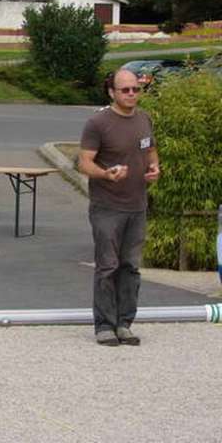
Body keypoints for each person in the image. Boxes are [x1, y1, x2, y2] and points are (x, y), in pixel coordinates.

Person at [78, 69, 160, 346]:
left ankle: (125, 323)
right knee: (107, 266)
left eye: (136, 89)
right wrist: (105, 173)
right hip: (107, 207)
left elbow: (150, 151)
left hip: (137, 205)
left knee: (130, 267)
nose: (132, 94)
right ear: (111, 92)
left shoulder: (144, 119)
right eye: (125, 90)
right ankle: (104, 325)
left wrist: (154, 169)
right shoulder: (98, 123)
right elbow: (84, 163)